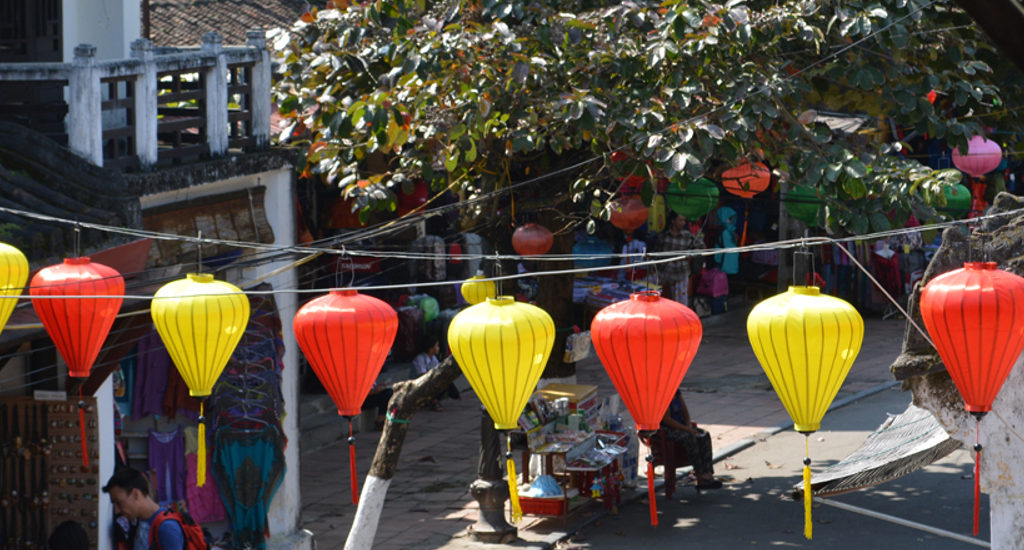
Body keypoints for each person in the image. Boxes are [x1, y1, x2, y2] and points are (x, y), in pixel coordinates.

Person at [102, 467, 186, 550]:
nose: (117, 511)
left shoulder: (167, 528)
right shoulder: (141, 521)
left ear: (136, 494)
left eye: (119, 503)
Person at [660, 389, 722, 490]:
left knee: (704, 435)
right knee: (690, 438)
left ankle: (708, 473)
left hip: (683, 427)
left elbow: (684, 410)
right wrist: (687, 429)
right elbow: (667, 420)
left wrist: (688, 424)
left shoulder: (676, 391)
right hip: (669, 430)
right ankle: (700, 475)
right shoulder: (662, 393)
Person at [657, 212, 703, 306]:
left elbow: (702, 247)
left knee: (681, 303)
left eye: (684, 220)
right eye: (680, 220)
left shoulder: (687, 236)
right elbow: (656, 253)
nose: (683, 223)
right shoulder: (663, 236)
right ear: (673, 221)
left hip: (681, 273)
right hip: (665, 273)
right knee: (665, 302)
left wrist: (690, 255)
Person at [412, 336, 460, 411]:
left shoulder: (433, 357)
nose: (438, 348)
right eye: (436, 346)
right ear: (431, 348)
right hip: (419, 384)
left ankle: (435, 400)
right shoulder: (420, 359)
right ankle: (433, 402)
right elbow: (422, 375)